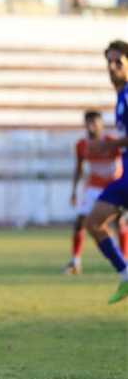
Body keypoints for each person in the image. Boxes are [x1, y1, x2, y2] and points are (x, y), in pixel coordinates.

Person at [84, 40, 128, 305]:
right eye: (109, 63)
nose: (112, 68)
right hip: (125, 178)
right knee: (93, 222)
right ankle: (125, 274)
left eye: (118, 62)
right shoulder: (121, 97)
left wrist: (108, 143)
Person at [65, 110, 124, 275]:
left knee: (119, 223)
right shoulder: (81, 145)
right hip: (93, 188)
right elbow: (79, 168)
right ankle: (75, 262)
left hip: (113, 186)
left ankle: (124, 259)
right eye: (88, 122)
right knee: (80, 222)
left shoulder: (112, 142)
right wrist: (74, 191)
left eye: (94, 122)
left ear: (101, 124)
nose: (91, 126)